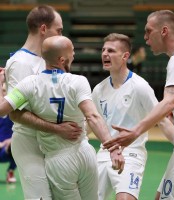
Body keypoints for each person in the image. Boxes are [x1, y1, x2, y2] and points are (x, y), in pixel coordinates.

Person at [0, 35, 124, 200]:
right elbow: (93, 116)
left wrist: (2, 83)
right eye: (72, 52)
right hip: (85, 153)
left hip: (59, 160)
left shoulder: (29, 84)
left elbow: (2, 110)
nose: (74, 55)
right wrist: (114, 149)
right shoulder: (79, 81)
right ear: (61, 59)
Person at [103, 10, 174, 200]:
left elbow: (169, 102)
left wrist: (135, 132)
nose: (146, 38)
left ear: (164, 31)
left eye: (149, 31)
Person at [5, 5, 83, 200]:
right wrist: (58, 129)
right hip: (29, 143)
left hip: (50, 143)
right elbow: (15, 113)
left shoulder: (49, 59)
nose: (61, 35)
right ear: (43, 29)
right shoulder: (20, 63)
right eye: (58, 30)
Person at [91, 33, 174, 200]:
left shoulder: (140, 87)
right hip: (104, 153)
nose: (105, 54)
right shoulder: (98, 90)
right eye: (103, 50)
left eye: (111, 50)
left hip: (132, 154)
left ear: (125, 56)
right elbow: (91, 123)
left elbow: (162, 120)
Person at [0, 83, 16, 184]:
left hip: (7, 150)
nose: (4, 95)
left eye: (6, 91)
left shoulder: (14, 114)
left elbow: (21, 131)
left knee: (18, 143)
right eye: (2, 91)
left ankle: (10, 171)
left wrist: (10, 141)